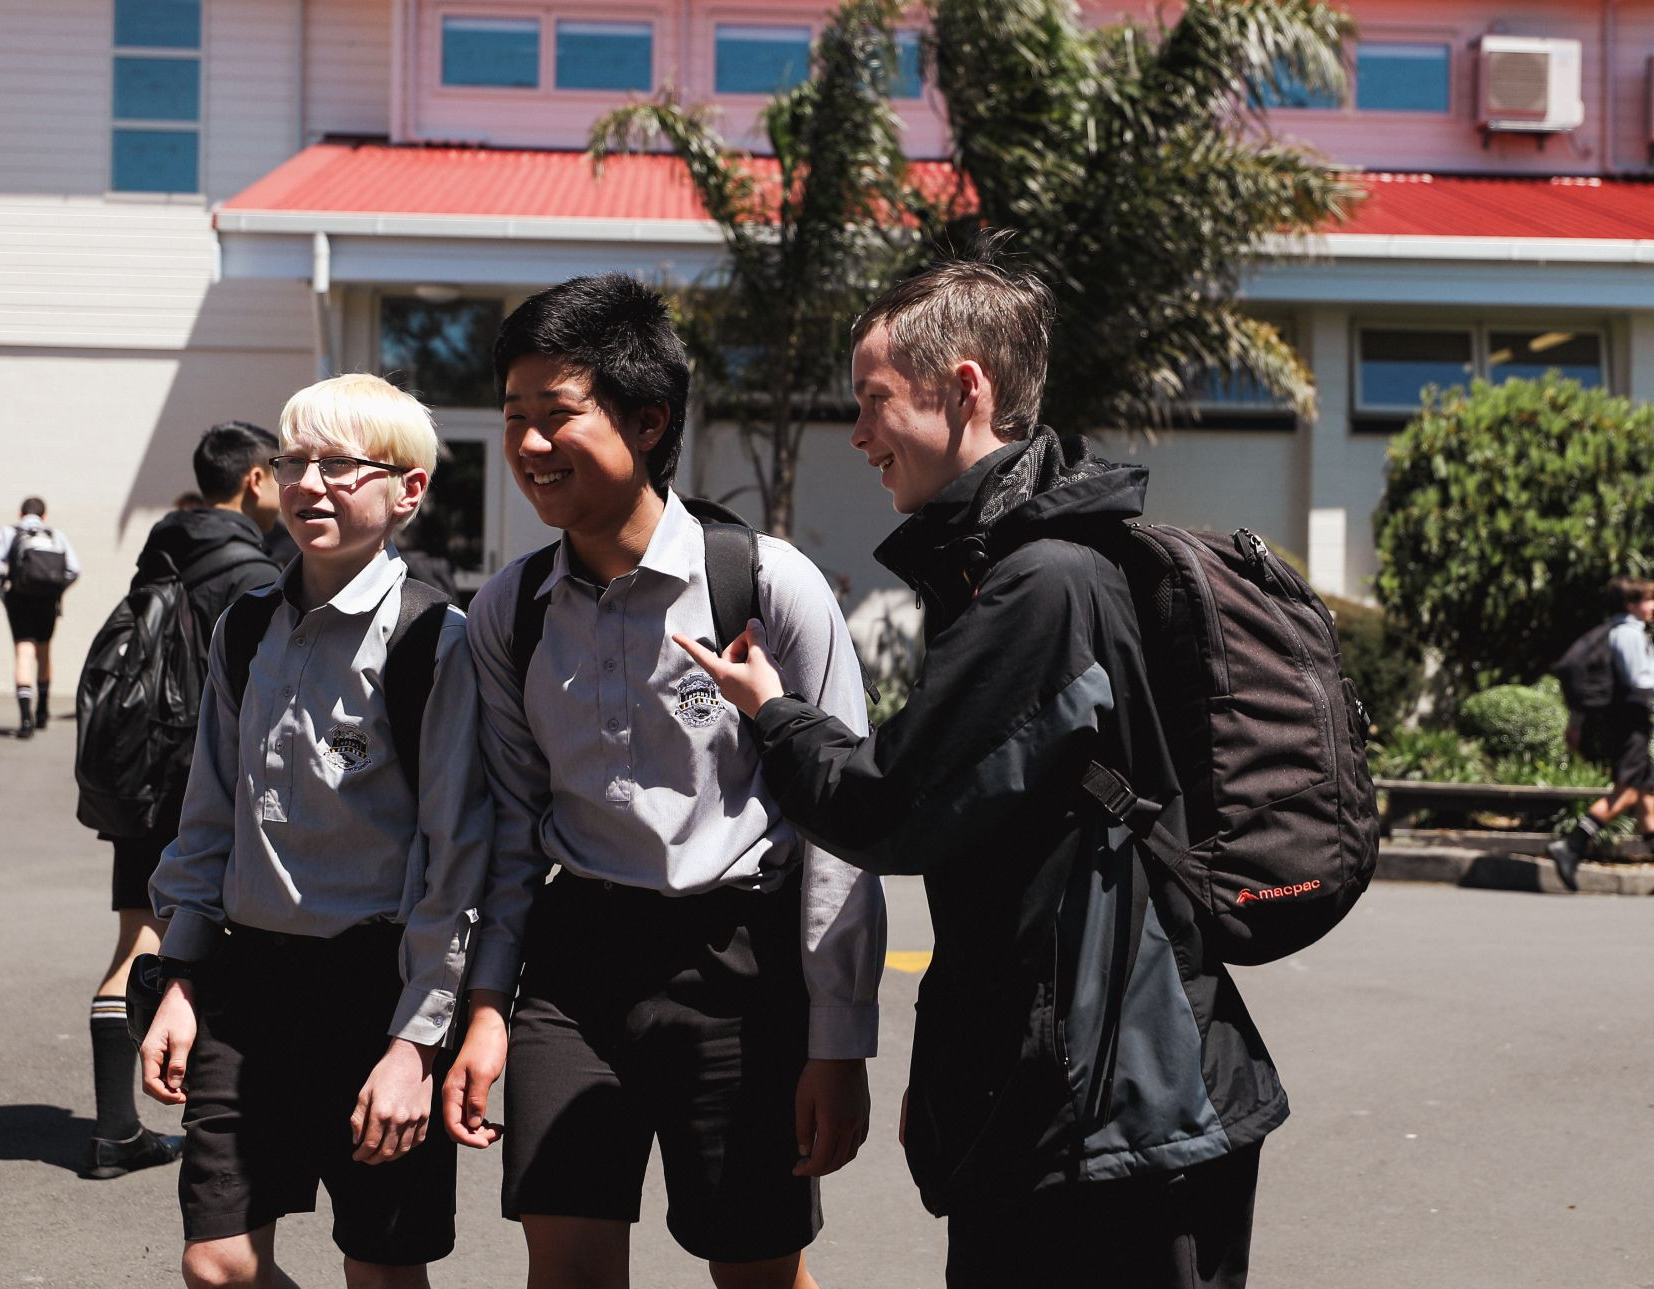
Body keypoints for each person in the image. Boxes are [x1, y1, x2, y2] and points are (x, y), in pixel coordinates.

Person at [677, 245, 1289, 1289]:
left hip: (1118, 1109)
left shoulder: (1042, 586)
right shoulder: (1008, 573)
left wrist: (774, 713)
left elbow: (888, 808)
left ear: (965, 388)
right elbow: (998, 860)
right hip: (1060, 1091)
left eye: (871, 401)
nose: (858, 433)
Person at [445, 274, 885, 1289]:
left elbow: (838, 823)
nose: (526, 446)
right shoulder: (509, 612)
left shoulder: (766, 585)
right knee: (564, 1265)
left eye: (556, 416)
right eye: (513, 418)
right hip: (572, 971)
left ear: (647, 422)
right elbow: (513, 824)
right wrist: (484, 1003)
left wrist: (836, 1037)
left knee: (755, 1268)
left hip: (736, 967)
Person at [140, 374, 493, 1288]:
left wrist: (417, 1044)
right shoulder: (245, 623)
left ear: (408, 490)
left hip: (375, 992)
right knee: (217, 1261)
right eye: (294, 462)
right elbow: (208, 813)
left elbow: (455, 862)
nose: (309, 484)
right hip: (247, 985)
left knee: (379, 1268)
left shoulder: (434, 641)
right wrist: (181, 978)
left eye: (340, 465)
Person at [81, 421, 282, 1180]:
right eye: (281, 469)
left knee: (137, 942)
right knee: (184, 950)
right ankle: (175, 1122)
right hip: (199, 786)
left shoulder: (161, 553)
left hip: (140, 776)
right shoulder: (251, 575)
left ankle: (114, 1127)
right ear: (255, 480)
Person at [1549, 576, 1654, 889]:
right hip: (1630, 723)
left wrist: (1575, 723)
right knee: (1626, 793)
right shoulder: (1628, 634)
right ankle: (1572, 844)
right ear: (1630, 604)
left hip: (1627, 721)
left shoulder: (1613, 631)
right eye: (1649, 599)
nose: (1653, 606)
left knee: (1647, 798)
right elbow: (1641, 680)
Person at [0, 497, 80, 738]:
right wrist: (57, 591)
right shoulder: (55, 535)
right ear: (44, 516)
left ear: (20, 512)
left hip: (19, 599)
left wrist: (4, 593)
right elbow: (74, 569)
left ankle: (25, 719)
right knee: (44, 651)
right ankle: (42, 709)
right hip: (48, 601)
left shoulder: (9, 532)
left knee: (24, 652)